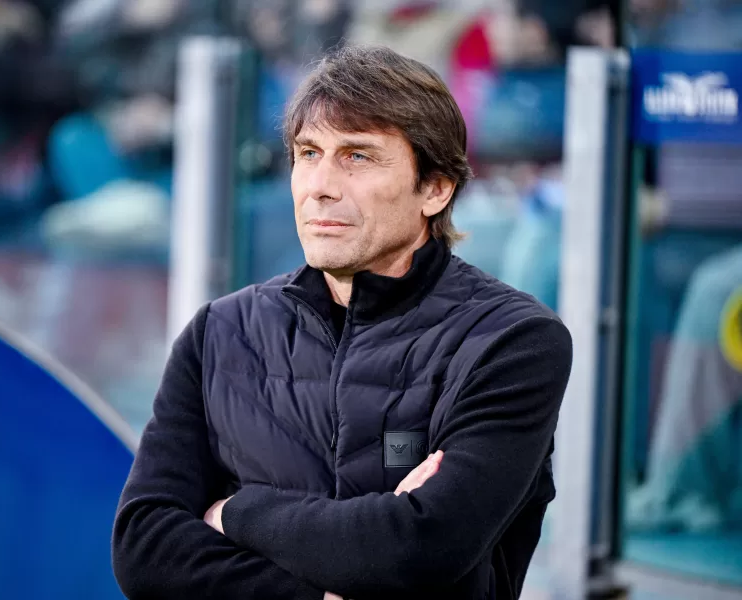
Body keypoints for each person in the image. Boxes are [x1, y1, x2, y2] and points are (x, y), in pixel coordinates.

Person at [112, 45, 572, 599]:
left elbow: (420, 548)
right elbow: (143, 548)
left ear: (435, 188)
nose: (319, 185)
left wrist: (237, 511)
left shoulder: (514, 342)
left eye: (357, 156)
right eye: (308, 153)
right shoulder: (220, 332)